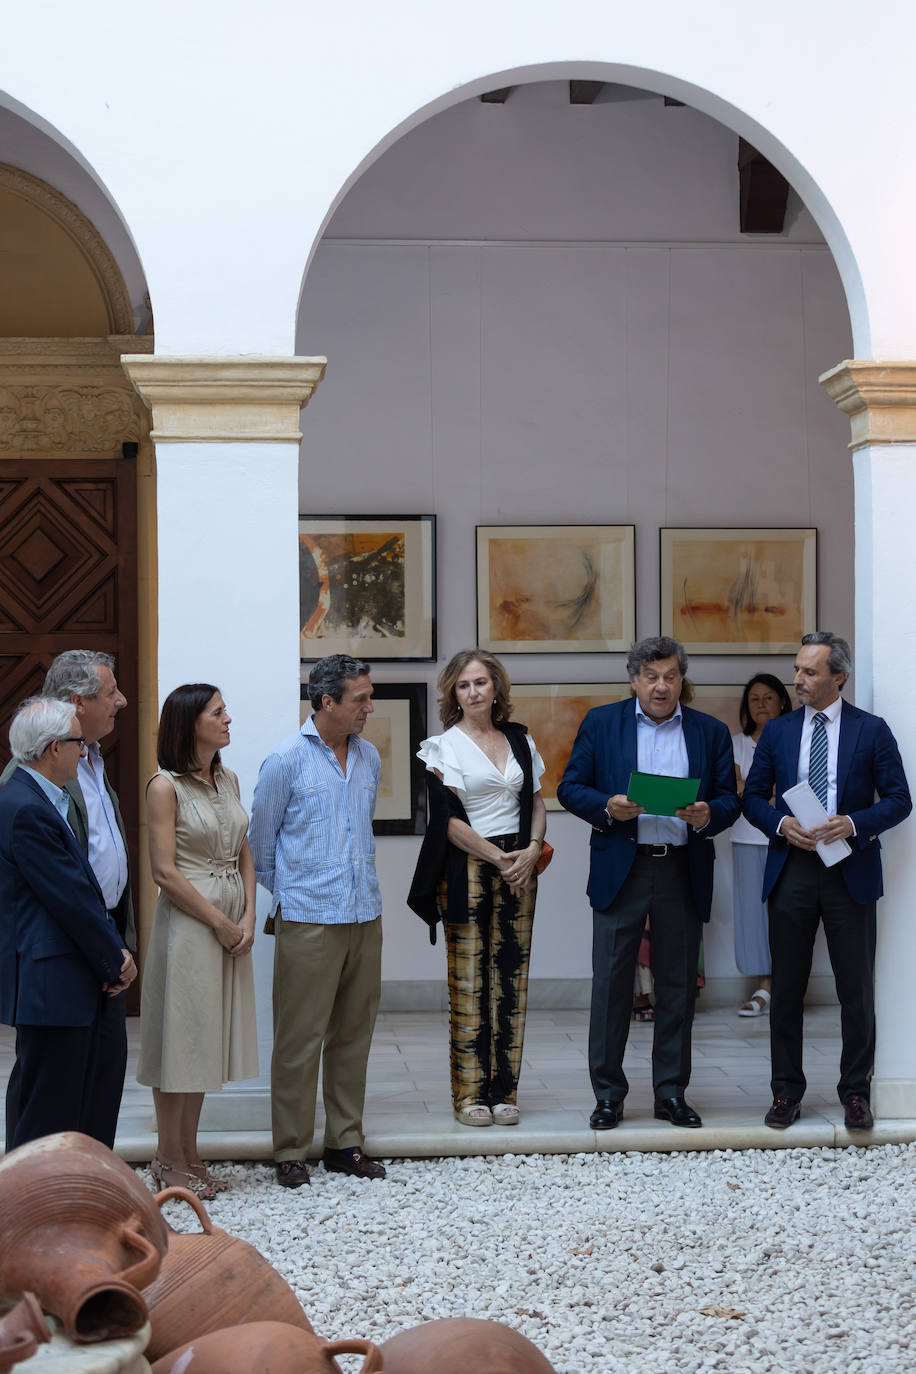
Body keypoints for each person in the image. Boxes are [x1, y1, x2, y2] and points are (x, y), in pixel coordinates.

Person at [558, 635, 740, 1130]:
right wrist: (607, 807)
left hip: (682, 866)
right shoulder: (602, 723)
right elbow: (570, 787)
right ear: (633, 679)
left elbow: (730, 799)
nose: (662, 687)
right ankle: (609, 1097)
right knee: (612, 985)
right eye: (652, 677)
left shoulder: (709, 731)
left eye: (671, 676)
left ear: (683, 679)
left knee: (678, 987)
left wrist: (708, 814)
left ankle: (671, 1094)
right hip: (625, 864)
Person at [743, 632, 911, 1132]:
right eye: (797, 669)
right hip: (792, 869)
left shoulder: (872, 731)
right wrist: (779, 823)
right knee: (787, 988)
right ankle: (785, 1092)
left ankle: (855, 1092)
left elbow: (900, 799)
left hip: (850, 871)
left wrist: (854, 824)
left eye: (809, 672)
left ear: (839, 676)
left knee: (855, 988)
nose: (797, 680)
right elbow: (752, 796)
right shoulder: (777, 732)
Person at [249, 654, 386, 1189]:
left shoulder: (370, 757)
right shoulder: (285, 759)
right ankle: (289, 1149)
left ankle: (344, 1143)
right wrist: (293, 893)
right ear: (327, 702)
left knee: (354, 1035)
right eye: (360, 699)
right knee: (299, 1039)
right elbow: (260, 845)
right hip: (307, 917)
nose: (368, 708)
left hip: (364, 913)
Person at [0, 649, 135, 1148]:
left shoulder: (43, 797)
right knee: (47, 1116)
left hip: (86, 966)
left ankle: (84, 1206)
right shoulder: (25, 804)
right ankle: (36, 1215)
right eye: (77, 743)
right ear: (54, 747)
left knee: (90, 1102)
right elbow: (69, 896)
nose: (86, 752)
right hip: (57, 976)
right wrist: (113, 960)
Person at [408, 649, 547, 1127]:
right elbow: (445, 822)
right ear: (454, 693)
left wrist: (531, 850)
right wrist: (498, 857)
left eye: (481, 683)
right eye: (464, 685)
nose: (473, 692)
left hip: (520, 864)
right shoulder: (441, 747)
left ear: (496, 689)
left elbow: (536, 802)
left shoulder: (520, 740)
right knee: (469, 980)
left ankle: (506, 1091)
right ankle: (469, 1096)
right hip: (467, 864)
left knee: (512, 976)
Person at [137, 684, 258, 1197]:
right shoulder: (163, 786)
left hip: (231, 914)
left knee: (205, 1040)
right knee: (181, 1042)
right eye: (218, 712)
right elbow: (163, 872)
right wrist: (220, 921)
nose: (228, 718)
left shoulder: (226, 777)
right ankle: (167, 1160)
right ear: (190, 724)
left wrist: (250, 914)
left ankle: (190, 1154)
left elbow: (243, 849)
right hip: (190, 923)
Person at [731, 674, 792, 1017]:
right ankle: (764, 985)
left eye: (769, 697)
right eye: (754, 699)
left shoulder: (794, 738)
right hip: (746, 836)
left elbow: (792, 791)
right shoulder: (736, 743)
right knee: (753, 914)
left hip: (789, 837)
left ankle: (786, 985)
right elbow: (737, 791)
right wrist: (763, 792)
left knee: (789, 912)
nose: (761, 705)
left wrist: (755, 791)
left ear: (783, 701)